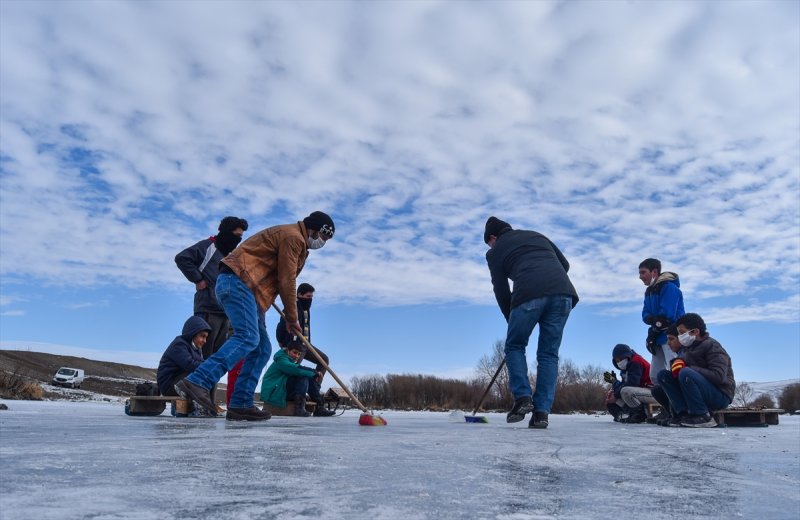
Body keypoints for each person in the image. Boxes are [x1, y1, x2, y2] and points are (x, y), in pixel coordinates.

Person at [174, 211, 336, 421]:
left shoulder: (296, 240)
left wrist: (286, 314)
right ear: (315, 229)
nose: (322, 242)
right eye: (323, 237)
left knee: (262, 349)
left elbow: (276, 280)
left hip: (251, 293)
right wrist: (292, 316)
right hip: (238, 282)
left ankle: (240, 403)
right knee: (248, 336)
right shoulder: (293, 237)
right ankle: (197, 381)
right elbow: (286, 279)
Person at [484, 216, 579, 429]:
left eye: (489, 242)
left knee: (515, 345)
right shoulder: (537, 235)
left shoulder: (495, 251)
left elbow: (500, 289)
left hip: (528, 295)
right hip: (563, 294)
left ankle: (523, 398)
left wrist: (511, 318)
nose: (490, 246)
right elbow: (565, 264)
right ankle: (541, 413)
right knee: (548, 354)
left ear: (493, 237)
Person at [175, 216, 248, 404]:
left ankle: (209, 400)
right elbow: (182, 258)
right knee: (202, 356)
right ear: (224, 232)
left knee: (217, 358)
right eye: (235, 234)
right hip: (207, 309)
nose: (238, 239)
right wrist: (198, 279)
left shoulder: (231, 255)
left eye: (241, 236)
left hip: (226, 312)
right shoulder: (208, 246)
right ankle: (194, 398)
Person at [226, 282, 329, 406]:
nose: (310, 300)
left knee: (323, 359)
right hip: (295, 345)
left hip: (306, 344)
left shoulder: (307, 310)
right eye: (308, 297)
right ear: (299, 295)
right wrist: (282, 342)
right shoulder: (292, 308)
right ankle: (291, 395)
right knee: (296, 370)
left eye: (312, 297)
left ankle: (315, 390)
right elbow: (280, 327)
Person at [655, 313, 735, 428]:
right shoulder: (686, 349)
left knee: (686, 373)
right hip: (702, 392)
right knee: (663, 375)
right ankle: (682, 414)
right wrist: (676, 365)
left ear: (695, 331)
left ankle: (702, 416)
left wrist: (689, 369)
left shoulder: (712, 346)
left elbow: (718, 376)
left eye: (682, 332)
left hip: (720, 395)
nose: (680, 336)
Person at [259, 336, 336, 417]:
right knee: (303, 376)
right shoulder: (281, 360)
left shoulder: (290, 362)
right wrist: (315, 372)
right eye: (294, 352)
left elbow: (298, 370)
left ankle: (319, 407)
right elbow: (297, 370)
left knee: (307, 376)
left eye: (299, 354)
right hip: (274, 392)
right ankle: (299, 408)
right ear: (288, 351)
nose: (296, 356)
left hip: (282, 389)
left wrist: (313, 375)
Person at [639, 258, 685, 382]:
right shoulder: (648, 292)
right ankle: (664, 400)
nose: (640, 276)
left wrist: (654, 328)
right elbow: (645, 314)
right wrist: (653, 330)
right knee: (654, 375)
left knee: (675, 370)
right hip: (658, 337)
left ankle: (680, 399)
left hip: (672, 336)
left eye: (643, 272)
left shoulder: (669, 287)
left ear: (654, 272)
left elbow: (667, 315)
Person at [156, 316, 210, 397]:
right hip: (169, 385)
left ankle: (207, 403)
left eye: (206, 337)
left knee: (208, 375)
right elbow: (190, 365)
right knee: (200, 373)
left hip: (180, 382)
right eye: (202, 336)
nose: (205, 341)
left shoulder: (197, 349)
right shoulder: (179, 344)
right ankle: (202, 404)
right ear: (193, 333)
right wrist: (211, 365)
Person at [603, 344, 655, 424]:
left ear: (627, 355)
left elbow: (632, 383)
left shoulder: (636, 361)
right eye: (617, 361)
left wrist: (616, 394)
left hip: (653, 392)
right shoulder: (624, 369)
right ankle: (624, 415)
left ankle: (639, 414)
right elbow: (624, 384)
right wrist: (614, 387)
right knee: (613, 397)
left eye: (621, 359)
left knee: (625, 391)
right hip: (640, 392)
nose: (619, 362)